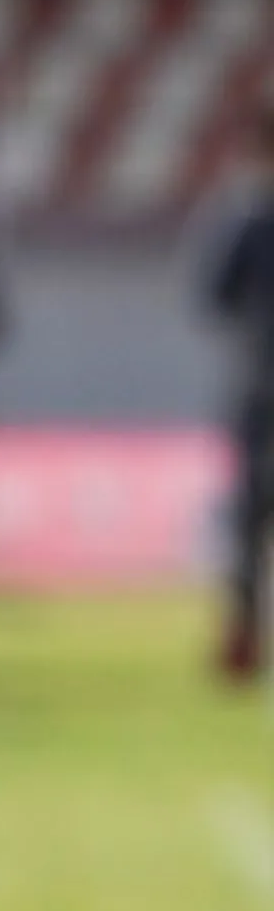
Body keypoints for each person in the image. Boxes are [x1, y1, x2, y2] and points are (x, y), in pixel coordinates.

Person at [204, 106, 274, 681]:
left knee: (250, 521)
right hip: (263, 393)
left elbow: (216, 297)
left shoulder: (247, 220)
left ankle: (245, 630)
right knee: (251, 519)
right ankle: (245, 630)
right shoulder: (248, 221)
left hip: (261, 390)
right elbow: (216, 295)